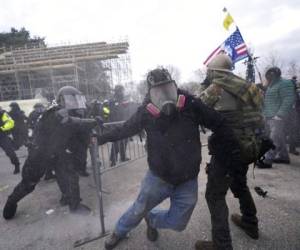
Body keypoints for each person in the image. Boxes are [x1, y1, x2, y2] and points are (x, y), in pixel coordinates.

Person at [99, 68, 241, 250]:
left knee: (178, 223)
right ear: (150, 93)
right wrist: (100, 138)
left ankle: (152, 219)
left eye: (168, 89)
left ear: (174, 86)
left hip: (187, 180)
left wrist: (233, 149)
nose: (164, 96)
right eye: (158, 92)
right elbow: (124, 130)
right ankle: (118, 232)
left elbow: (218, 122)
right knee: (138, 209)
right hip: (158, 177)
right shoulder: (146, 112)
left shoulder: (190, 104)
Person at [195, 54, 264, 250]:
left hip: (228, 149)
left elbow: (198, 108)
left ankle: (222, 245)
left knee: (214, 195)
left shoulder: (217, 87)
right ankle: (250, 223)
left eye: (210, 72)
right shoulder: (248, 86)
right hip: (250, 146)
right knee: (239, 183)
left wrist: (203, 85)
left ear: (215, 72)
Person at [3, 86, 98, 220]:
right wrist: (91, 122)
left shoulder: (69, 113)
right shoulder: (55, 112)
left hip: (57, 151)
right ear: (62, 100)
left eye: (77, 100)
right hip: (40, 153)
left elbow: (76, 131)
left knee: (70, 175)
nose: (75, 104)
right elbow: (69, 122)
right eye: (71, 100)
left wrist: (91, 130)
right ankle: (11, 202)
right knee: (29, 184)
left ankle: (73, 204)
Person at [256, 67, 295, 168]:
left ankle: (267, 160)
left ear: (273, 74)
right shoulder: (271, 86)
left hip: (278, 117)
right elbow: (270, 101)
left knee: (273, 139)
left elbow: (288, 99)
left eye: (269, 75)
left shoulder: (285, 83)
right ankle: (283, 156)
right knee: (279, 137)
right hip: (270, 116)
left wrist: (280, 114)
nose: (267, 77)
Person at [108, 85, 130, 166]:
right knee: (116, 143)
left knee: (124, 141)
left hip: (124, 123)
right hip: (115, 124)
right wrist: (112, 124)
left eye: (122, 90)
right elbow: (110, 113)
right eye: (121, 90)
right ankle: (113, 160)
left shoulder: (123, 100)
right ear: (117, 91)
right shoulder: (112, 101)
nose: (122, 92)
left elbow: (126, 111)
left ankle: (123, 157)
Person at [0, 109, 20, 174]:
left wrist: (2, 128)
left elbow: (10, 122)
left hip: (2, 136)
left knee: (10, 152)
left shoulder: (2, 113)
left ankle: (16, 164)